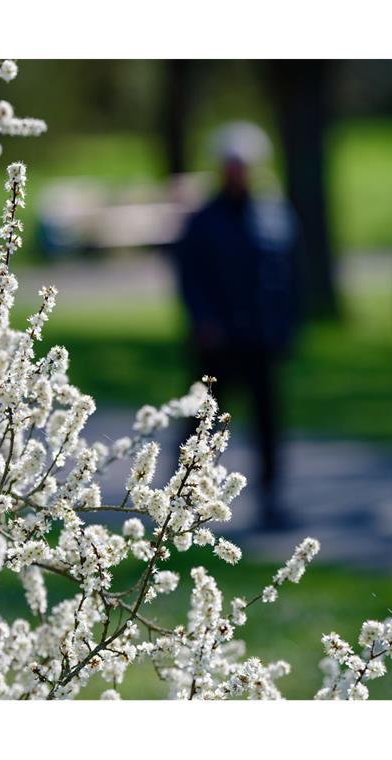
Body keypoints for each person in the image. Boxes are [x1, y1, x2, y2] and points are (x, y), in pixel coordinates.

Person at [169, 122, 300, 531]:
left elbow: (289, 275)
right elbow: (190, 278)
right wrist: (203, 322)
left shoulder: (274, 215)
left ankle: (272, 499)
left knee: (268, 423)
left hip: (261, 339)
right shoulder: (204, 220)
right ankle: (183, 495)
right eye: (232, 165)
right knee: (202, 421)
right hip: (218, 343)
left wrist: (287, 325)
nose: (238, 173)